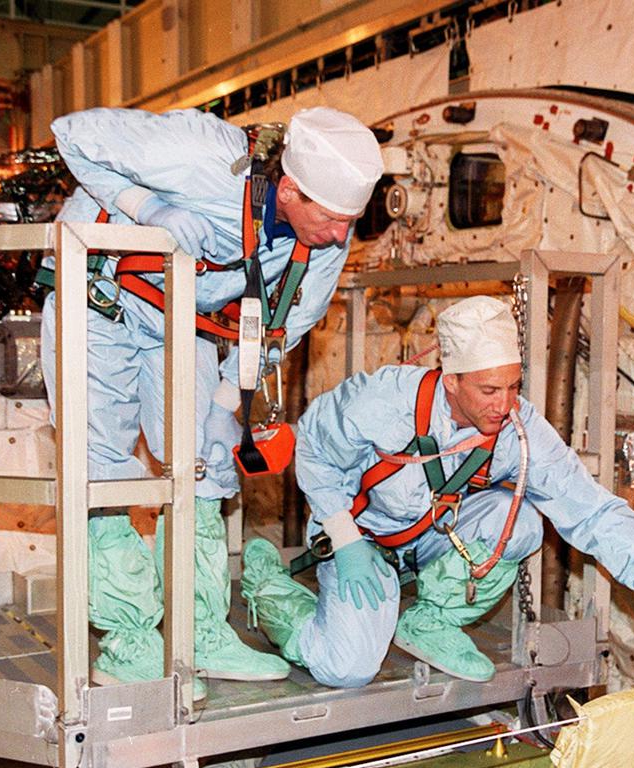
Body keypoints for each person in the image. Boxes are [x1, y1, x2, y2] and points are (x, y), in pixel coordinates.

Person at [38, 106, 384, 697]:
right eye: (329, 219)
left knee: (205, 466)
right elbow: (72, 133)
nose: (337, 236)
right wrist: (147, 207)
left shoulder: (325, 240)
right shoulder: (200, 155)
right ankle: (129, 642)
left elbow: (279, 326)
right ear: (289, 189)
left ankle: (197, 633)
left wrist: (227, 402)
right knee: (102, 471)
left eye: (347, 222)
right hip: (98, 299)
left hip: (180, 317)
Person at [242, 295, 634, 688]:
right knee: (347, 668)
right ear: (450, 380)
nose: (504, 405)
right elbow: (313, 448)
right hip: (361, 538)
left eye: (513, 386)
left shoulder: (519, 431)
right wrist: (344, 538)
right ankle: (268, 589)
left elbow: (588, 509)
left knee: (523, 520)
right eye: (489, 390)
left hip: (431, 537)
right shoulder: (383, 401)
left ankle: (430, 621)